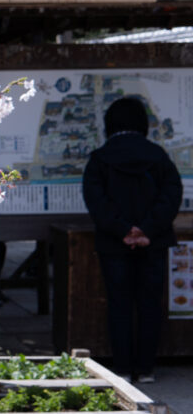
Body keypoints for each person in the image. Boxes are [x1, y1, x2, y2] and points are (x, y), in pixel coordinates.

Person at [82, 96, 182, 383]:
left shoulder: (100, 159)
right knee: (150, 304)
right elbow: (171, 194)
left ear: (109, 124)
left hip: (114, 244)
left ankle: (124, 368)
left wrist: (123, 230)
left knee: (119, 304)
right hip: (154, 242)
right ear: (142, 124)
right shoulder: (158, 156)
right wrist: (147, 230)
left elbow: (96, 200)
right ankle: (147, 369)